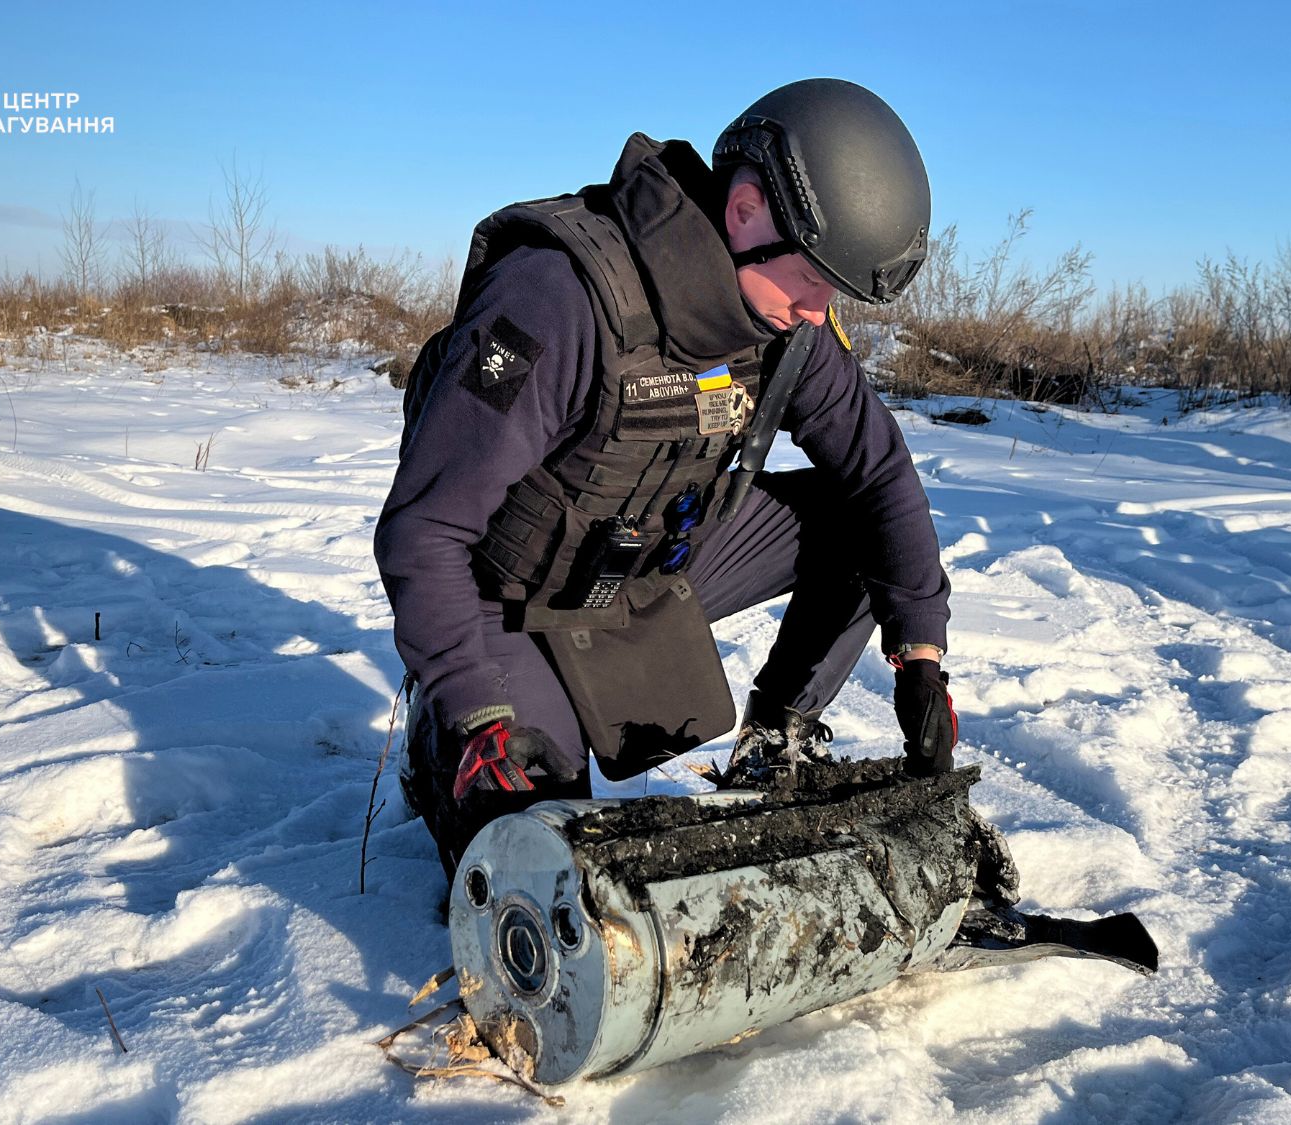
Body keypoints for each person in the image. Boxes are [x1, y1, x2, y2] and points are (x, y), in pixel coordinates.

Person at [375, 78, 959, 876]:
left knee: (857, 526)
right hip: (507, 596)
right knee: (550, 869)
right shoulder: (556, 299)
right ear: (748, 208)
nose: (820, 312)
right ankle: (443, 737)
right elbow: (425, 530)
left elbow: (878, 469)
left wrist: (920, 652)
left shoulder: (786, 324)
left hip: (648, 566)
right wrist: (476, 709)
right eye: (814, 280)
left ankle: (773, 749)